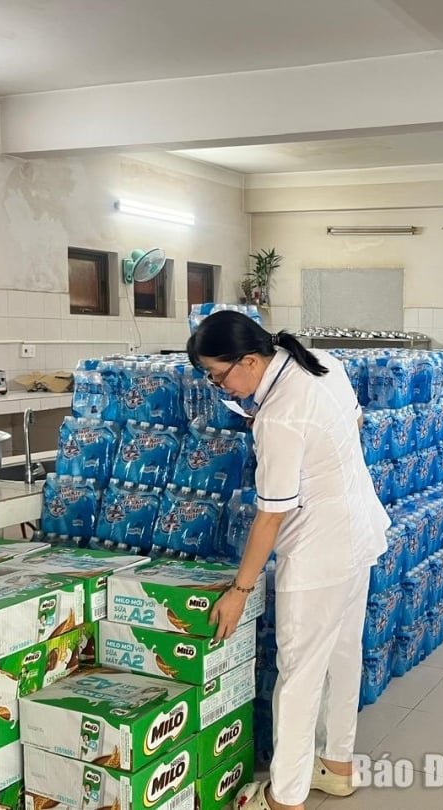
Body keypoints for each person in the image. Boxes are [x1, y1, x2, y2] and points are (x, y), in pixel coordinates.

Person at [187, 311, 389, 810]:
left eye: (219, 376)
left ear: (250, 360)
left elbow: (269, 518)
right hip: (357, 530)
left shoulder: (278, 418)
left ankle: (285, 797)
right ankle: (337, 765)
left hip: (319, 553)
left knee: (297, 675)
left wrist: (239, 592)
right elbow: (352, 421)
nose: (220, 389)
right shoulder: (320, 364)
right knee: (343, 655)